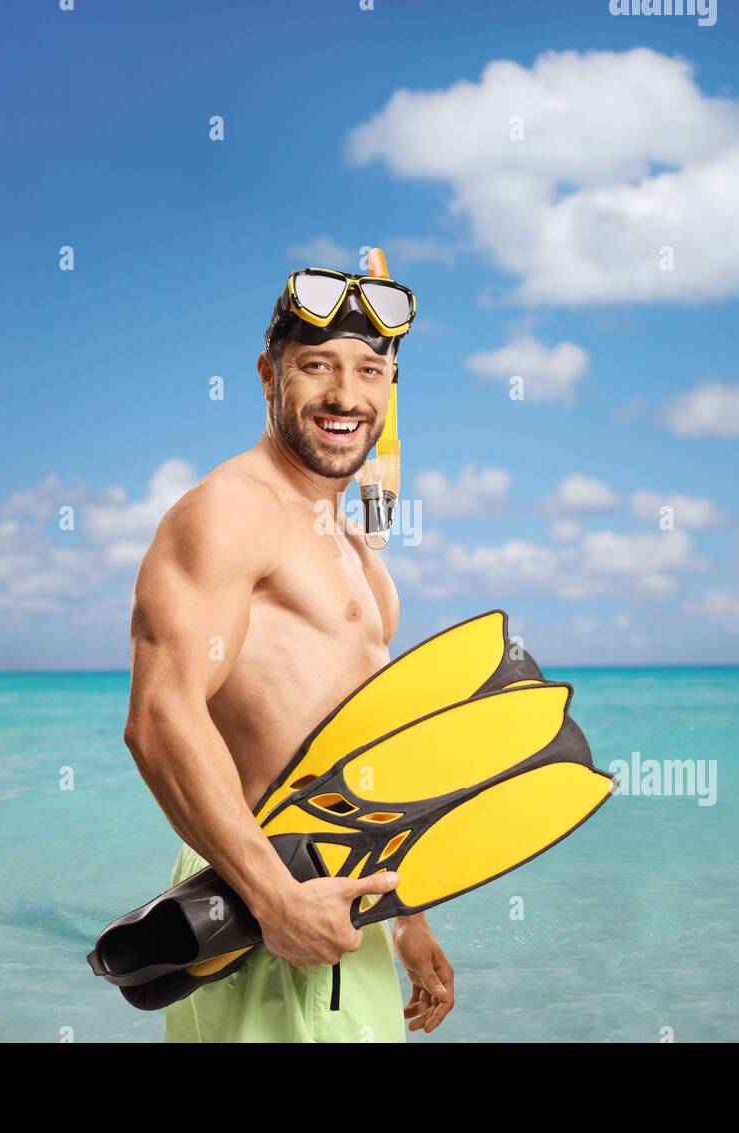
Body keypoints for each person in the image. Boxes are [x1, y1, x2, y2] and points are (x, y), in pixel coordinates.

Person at [122, 263, 453, 1042]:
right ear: (268, 374)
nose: (346, 395)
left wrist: (406, 918)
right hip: (264, 902)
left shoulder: (358, 545)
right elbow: (160, 718)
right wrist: (273, 898)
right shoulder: (232, 510)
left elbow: (369, 745)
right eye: (317, 366)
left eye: (370, 371)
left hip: (347, 906)